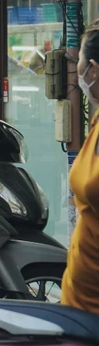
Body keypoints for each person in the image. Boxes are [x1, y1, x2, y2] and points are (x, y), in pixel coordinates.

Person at [63, 21, 99, 313]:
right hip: (79, 304)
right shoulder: (98, 119)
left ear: (94, 70)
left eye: (80, 67)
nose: (80, 76)